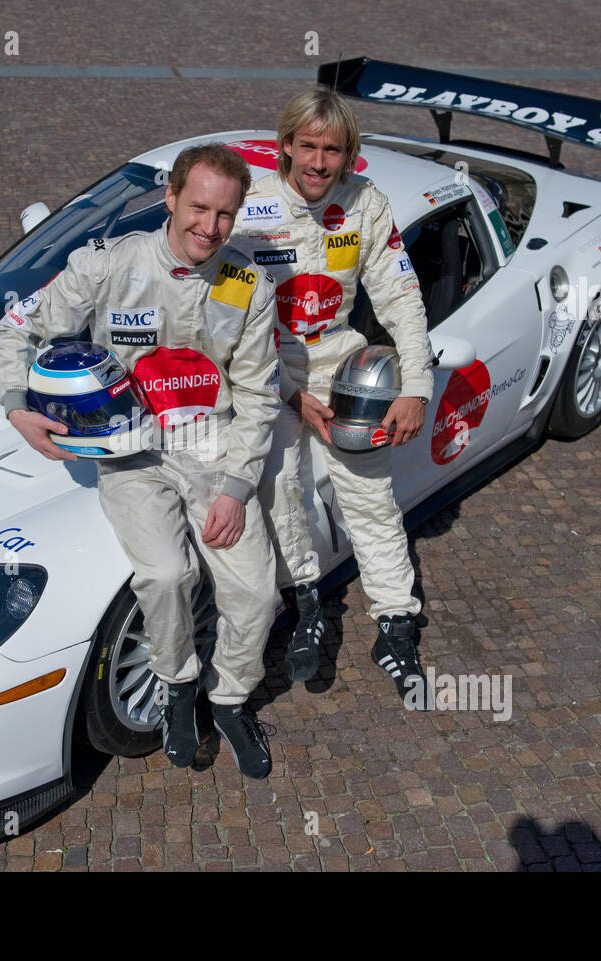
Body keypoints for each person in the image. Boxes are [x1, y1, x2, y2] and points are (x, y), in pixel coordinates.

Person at [0, 144, 282, 777]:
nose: (210, 227)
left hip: (211, 449)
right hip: (130, 452)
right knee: (166, 576)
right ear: (172, 199)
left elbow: (260, 394)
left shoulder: (249, 285)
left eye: (225, 214)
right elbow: (19, 328)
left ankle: (229, 700)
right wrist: (17, 405)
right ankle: (178, 686)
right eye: (198, 207)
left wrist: (235, 486)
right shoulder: (109, 266)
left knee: (256, 590)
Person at [227, 88, 436, 703]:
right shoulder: (250, 207)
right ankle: (307, 606)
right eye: (308, 146)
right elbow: (227, 320)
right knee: (278, 486)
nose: (319, 163)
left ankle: (395, 625)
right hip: (266, 371)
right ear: (285, 146)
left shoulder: (366, 204)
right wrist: (290, 394)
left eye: (333, 150)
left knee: (370, 498)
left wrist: (417, 387)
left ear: (350, 156)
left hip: (343, 369)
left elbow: (401, 299)